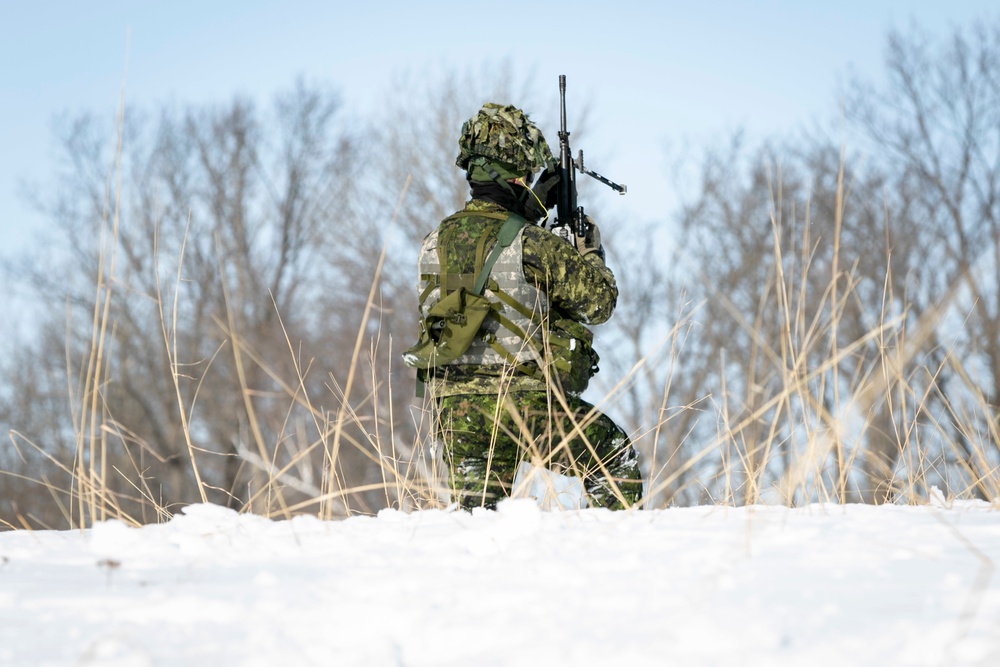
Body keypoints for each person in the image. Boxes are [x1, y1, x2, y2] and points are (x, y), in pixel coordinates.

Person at [406, 102, 641, 510]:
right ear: (517, 176)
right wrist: (589, 252)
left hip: (453, 411)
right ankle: (612, 560)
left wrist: (530, 212)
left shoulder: (433, 242)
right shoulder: (534, 244)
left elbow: (485, 253)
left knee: (476, 518)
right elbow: (599, 304)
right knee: (614, 459)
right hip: (524, 408)